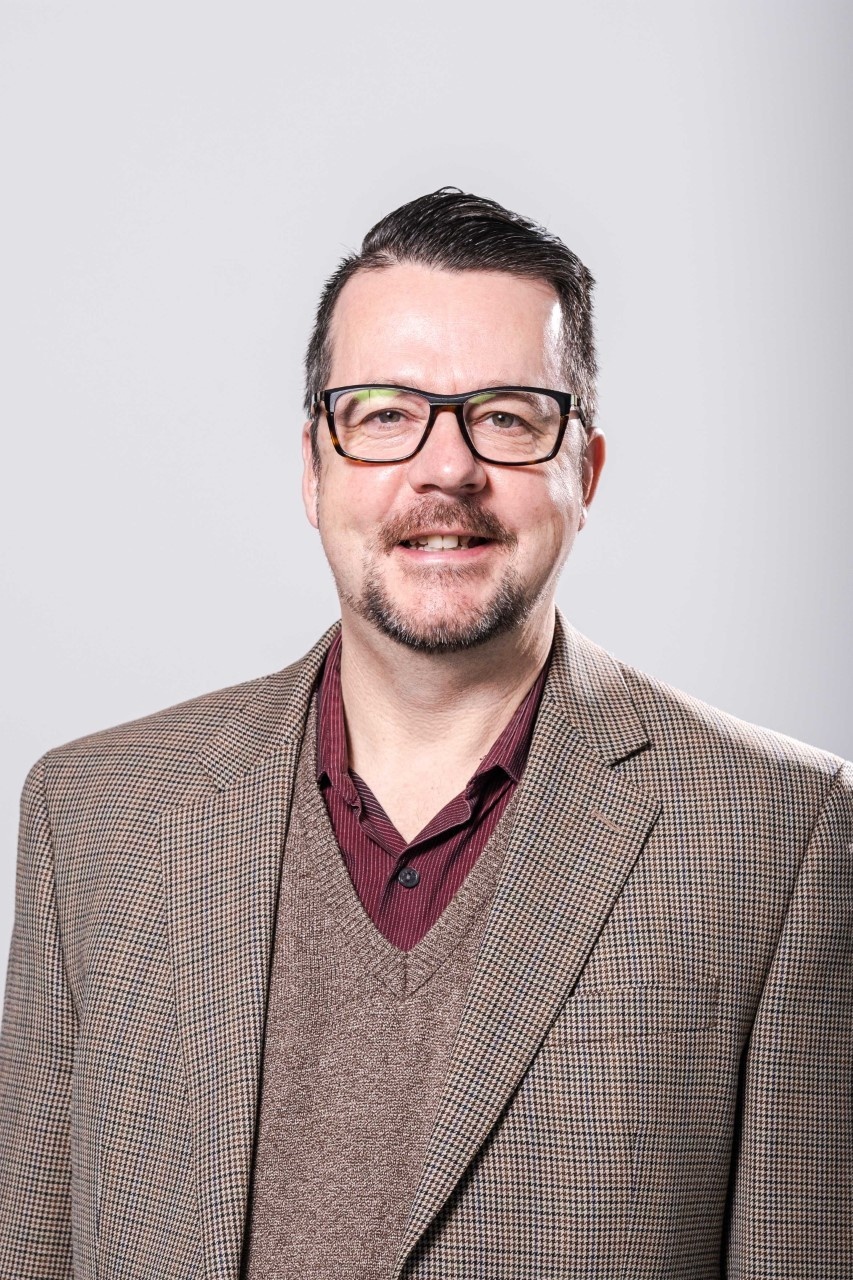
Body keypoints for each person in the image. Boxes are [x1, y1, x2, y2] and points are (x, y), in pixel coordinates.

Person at [0, 188, 850, 1280]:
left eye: (505, 414)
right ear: (314, 467)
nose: (445, 468)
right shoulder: (92, 817)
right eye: (384, 412)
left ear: (582, 474)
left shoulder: (776, 837)